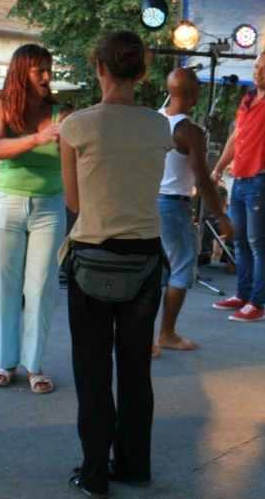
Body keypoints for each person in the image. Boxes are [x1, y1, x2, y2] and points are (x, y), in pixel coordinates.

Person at [59, 31, 174, 496]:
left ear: (99, 67)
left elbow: (73, 202)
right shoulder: (159, 126)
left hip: (92, 255)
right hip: (144, 260)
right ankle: (134, 464)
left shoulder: (75, 126)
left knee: (92, 371)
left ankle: (93, 475)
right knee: (135, 368)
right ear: (142, 72)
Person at [0, 43, 70, 394]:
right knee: (5, 285)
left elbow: (74, 160)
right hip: (7, 202)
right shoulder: (1, 108)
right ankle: (5, 361)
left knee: (41, 288)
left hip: (50, 205)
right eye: (40, 71)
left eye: (49, 69)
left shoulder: (63, 114)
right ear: (22, 73)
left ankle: (34, 364)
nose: (47, 76)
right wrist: (38, 137)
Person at [210, 42, 265, 322]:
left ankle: (257, 303)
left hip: (262, 179)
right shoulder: (246, 100)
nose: (258, 72)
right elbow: (235, 138)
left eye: (264, 68)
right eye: (255, 67)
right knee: (241, 240)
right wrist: (217, 168)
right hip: (241, 180)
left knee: (257, 241)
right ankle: (243, 294)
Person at [154, 67, 233, 355]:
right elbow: (202, 179)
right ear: (194, 93)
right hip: (174, 207)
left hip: (149, 202)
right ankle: (166, 334)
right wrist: (222, 217)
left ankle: (143, 336)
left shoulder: (155, 119)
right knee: (182, 268)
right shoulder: (189, 131)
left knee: (151, 272)